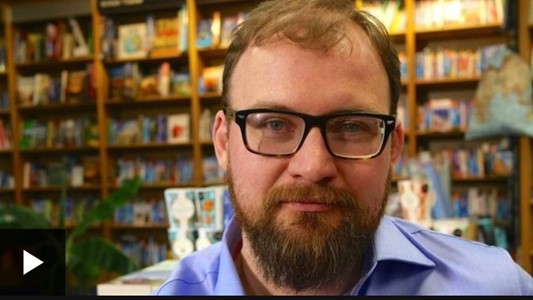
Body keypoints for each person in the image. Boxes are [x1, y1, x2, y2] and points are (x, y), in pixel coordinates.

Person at [154, 0, 533, 295]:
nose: (314, 165)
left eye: (351, 126)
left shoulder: (496, 285)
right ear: (223, 142)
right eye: (274, 124)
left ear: (393, 148)